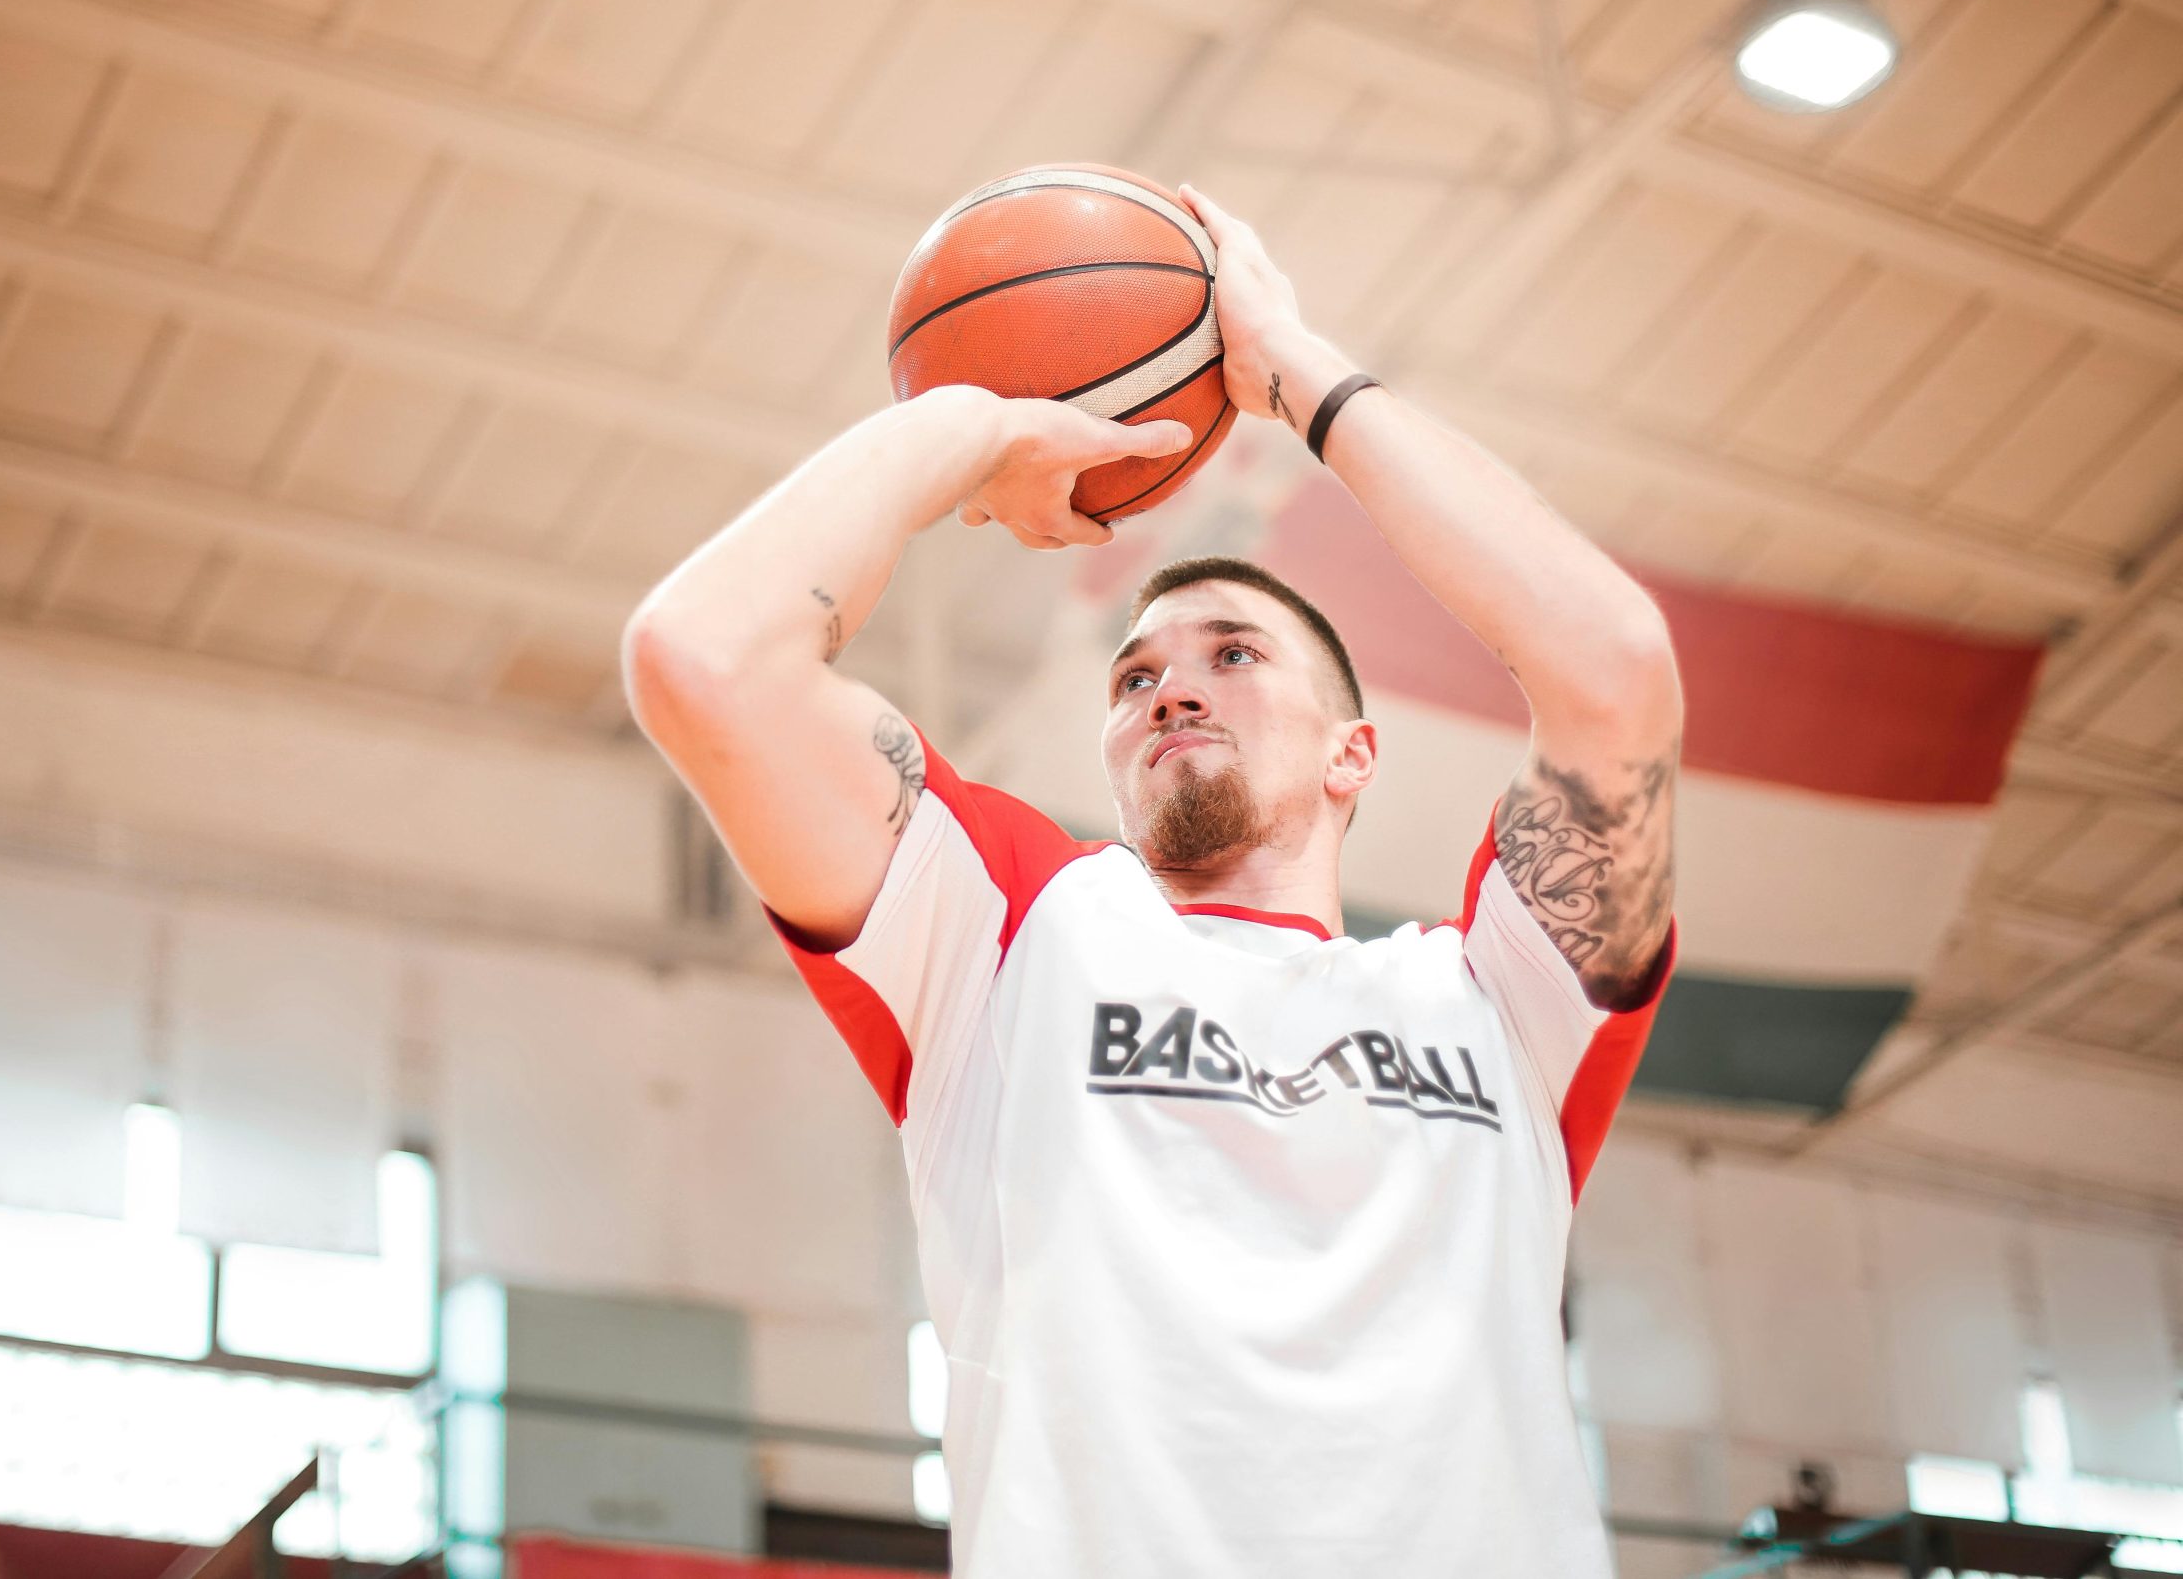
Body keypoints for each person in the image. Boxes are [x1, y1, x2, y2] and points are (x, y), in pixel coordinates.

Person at [620, 181, 1682, 1577]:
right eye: (1136, 677)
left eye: (1233, 655)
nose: (1170, 690)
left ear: (1356, 753)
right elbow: (704, 658)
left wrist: (1293, 372)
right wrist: (973, 426)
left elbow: (1616, 671)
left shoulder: (1496, 994)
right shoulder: (1010, 932)